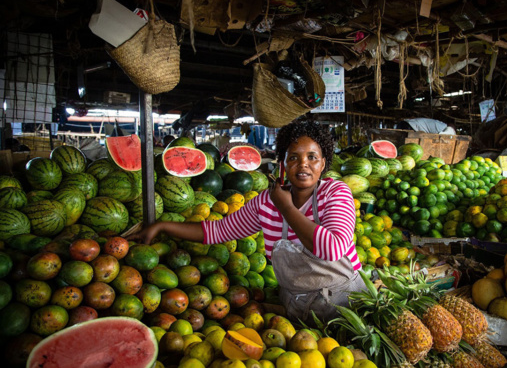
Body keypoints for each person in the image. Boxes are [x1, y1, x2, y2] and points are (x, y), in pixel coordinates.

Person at [129, 119, 365, 323]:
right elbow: (217, 231)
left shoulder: (335, 192)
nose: (303, 163)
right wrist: (161, 226)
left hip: (347, 307)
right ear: (282, 164)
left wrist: (285, 206)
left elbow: (332, 247)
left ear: (323, 164)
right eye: (293, 157)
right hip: (298, 309)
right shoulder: (265, 203)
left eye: (312, 157)